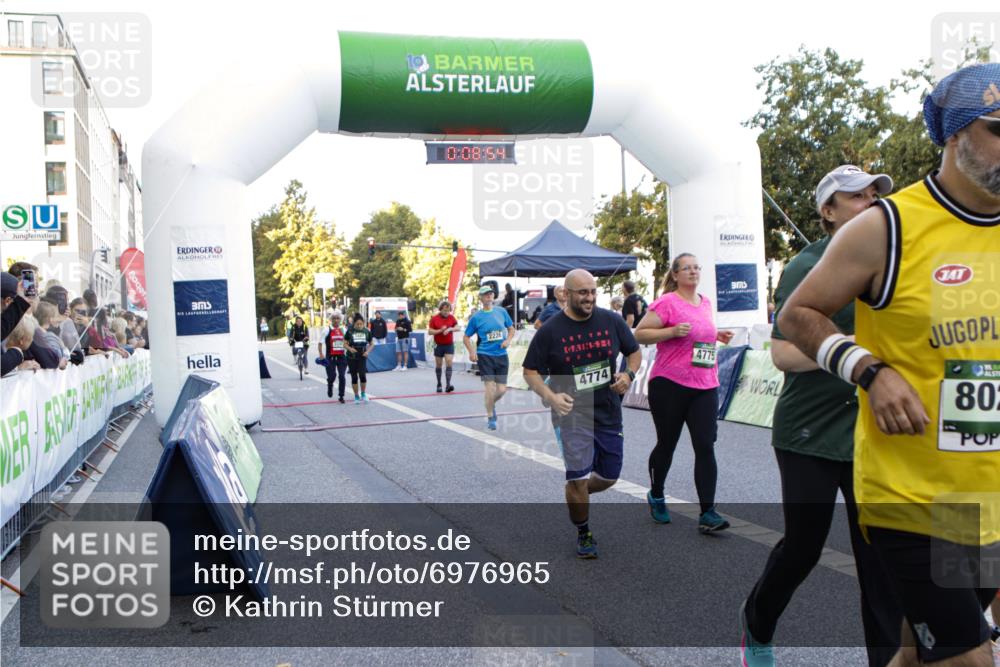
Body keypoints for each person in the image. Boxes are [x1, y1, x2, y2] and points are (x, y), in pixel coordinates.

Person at [778, 63, 1000, 667]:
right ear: (956, 136)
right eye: (998, 129)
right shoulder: (887, 227)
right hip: (910, 496)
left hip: (985, 496)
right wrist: (870, 372)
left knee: (917, 651)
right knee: (969, 659)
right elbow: (797, 317)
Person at [739, 165, 900, 667]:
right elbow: (785, 355)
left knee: (878, 561)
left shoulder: (893, 262)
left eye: (875, 193)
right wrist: (854, 352)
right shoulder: (805, 265)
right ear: (828, 212)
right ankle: (758, 622)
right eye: (856, 196)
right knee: (803, 549)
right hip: (808, 433)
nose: (870, 201)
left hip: (872, 434)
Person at [523, 269, 641, 558]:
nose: (589, 298)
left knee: (610, 476)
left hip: (607, 409)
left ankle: (578, 493)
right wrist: (550, 396)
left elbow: (634, 352)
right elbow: (530, 372)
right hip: (571, 412)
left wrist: (628, 374)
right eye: (582, 292)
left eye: (592, 292)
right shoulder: (551, 330)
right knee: (578, 476)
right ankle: (584, 530)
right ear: (567, 293)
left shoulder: (611, 321)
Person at [635, 253, 734, 532]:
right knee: (667, 443)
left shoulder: (706, 303)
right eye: (686, 268)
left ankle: (708, 513)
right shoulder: (667, 302)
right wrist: (671, 331)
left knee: (705, 445)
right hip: (670, 384)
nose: (693, 271)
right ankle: (656, 493)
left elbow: (698, 333)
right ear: (676, 275)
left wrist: (716, 335)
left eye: (696, 267)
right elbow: (640, 334)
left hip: (705, 384)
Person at [464, 285, 515, 430]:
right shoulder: (476, 317)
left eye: (490, 294)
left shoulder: (502, 312)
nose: (489, 296)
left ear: (493, 296)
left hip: (501, 355)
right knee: (489, 387)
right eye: (485, 294)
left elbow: (511, 329)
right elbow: (466, 337)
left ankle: (489, 403)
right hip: (485, 354)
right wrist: (472, 352)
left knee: (502, 390)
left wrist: (507, 341)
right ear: (480, 298)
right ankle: (491, 415)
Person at [428, 300, 460, 393]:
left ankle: (448, 385)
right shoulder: (434, 319)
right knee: (439, 364)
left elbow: (458, 328)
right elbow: (430, 331)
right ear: (440, 309)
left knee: (449, 362)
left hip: (449, 344)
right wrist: (440, 331)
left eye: (448, 311)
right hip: (438, 345)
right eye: (445, 310)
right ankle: (439, 384)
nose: (446, 312)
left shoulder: (451, 318)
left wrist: (450, 329)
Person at [320, 311, 349, 403]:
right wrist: (321, 354)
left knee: (342, 376)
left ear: (340, 320)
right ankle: (330, 384)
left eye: (338, 318)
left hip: (341, 356)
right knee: (332, 376)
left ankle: (341, 396)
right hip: (330, 356)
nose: (336, 320)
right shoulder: (326, 330)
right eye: (334, 318)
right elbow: (320, 343)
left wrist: (349, 350)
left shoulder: (343, 329)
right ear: (331, 320)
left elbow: (347, 341)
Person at [345, 313, 374, 403]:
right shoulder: (349, 331)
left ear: (363, 323)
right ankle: (356, 396)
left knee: (362, 375)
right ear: (354, 324)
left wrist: (367, 352)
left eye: (361, 324)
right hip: (351, 356)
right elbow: (344, 343)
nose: (359, 326)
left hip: (362, 355)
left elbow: (372, 344)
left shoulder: (366, 331)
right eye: (357, 324)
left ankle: (363, 394)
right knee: (354, 376)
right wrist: (350, 348)